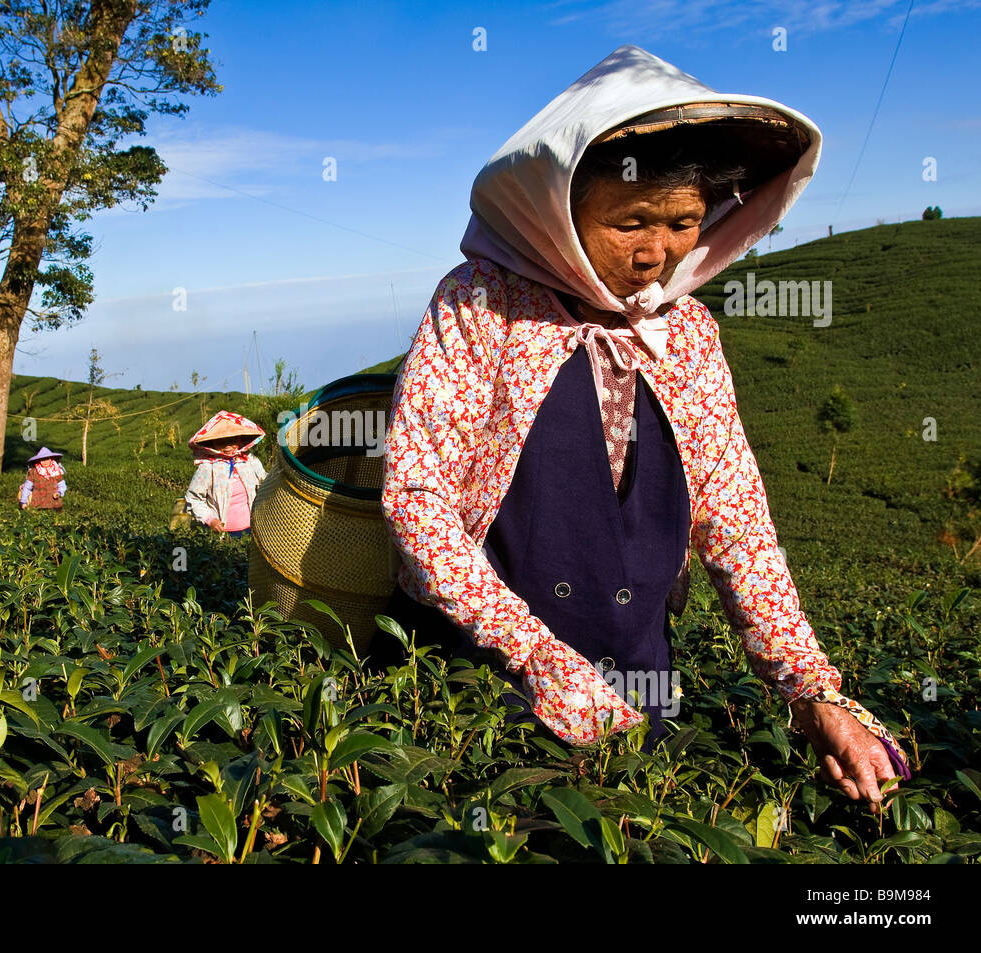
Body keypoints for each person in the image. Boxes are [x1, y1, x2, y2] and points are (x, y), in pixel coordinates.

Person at [378, 45, 910, 807]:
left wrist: (813, 691)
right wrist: (540, 661)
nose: (657, 253)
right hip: (478, 689)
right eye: (631, 221)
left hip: (640, 686)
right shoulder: (481, 305)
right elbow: (418, 501)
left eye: (684, 222)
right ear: (559, 207)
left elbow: (736, 520)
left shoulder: (687, 333)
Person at [185, 411, 266, 538]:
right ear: (212, 443)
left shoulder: (249, 460)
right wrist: (210, 520)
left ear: (239, 439)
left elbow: (265, 483)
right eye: (221, 441)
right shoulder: (207, 467)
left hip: (253, 529)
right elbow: (193, 499)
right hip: (222, 533)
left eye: (232, 440)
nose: (228, 446)